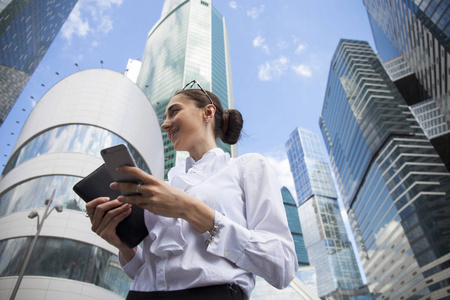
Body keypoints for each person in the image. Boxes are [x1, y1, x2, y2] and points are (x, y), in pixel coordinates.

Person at [86, 81, 298, 300]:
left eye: (174, 111)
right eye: (164, 118)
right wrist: (122, 245)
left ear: (208, 112)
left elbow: (282, 266)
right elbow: (150, 272)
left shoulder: (246, 167)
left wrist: (190, 209)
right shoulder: (164, 188)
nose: (165, 125)